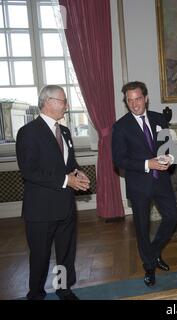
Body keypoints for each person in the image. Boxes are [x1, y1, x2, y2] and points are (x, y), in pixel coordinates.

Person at [16, 85, 90, 300]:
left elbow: (69, 163)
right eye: (63, 101)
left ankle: (63, 289)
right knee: (40, 256)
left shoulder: (64, 131)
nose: (66, 106)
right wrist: (68, 180)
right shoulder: (28, 132)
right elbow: (29, 171)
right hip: (40, 209)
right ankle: (36, 293)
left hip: (65, 206)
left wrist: (78, 172)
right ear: (47, 102)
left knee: (66, 253)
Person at [112, 81, 177, 287]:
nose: (134, 104)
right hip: (139, 185)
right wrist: (146, 164)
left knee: (172, 217)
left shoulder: (159, 119)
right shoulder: (121, 126)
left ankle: (153, 251)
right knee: (142, 228)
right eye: (129, 100)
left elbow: (167, 146)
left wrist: (170, 158)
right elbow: (119, 160)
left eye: (138, 98)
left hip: (162, 182)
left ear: (146, 98)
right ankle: (149, 266)